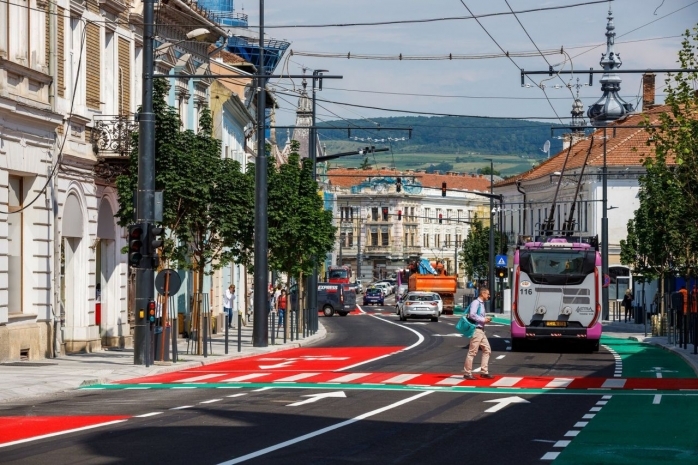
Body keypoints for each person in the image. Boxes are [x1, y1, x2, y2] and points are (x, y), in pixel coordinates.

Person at [463, 287, 494, 380]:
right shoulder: (476, 303)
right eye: (488, 294)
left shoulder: (482, 303)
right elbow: (472, 314)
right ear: (483, 294)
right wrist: (483, 319)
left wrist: (485, 319)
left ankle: (484, 372)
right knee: (472, 352)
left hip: (481, 330)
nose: (489, 296)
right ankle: (467, 373)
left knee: (487, 350)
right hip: (476, 330)